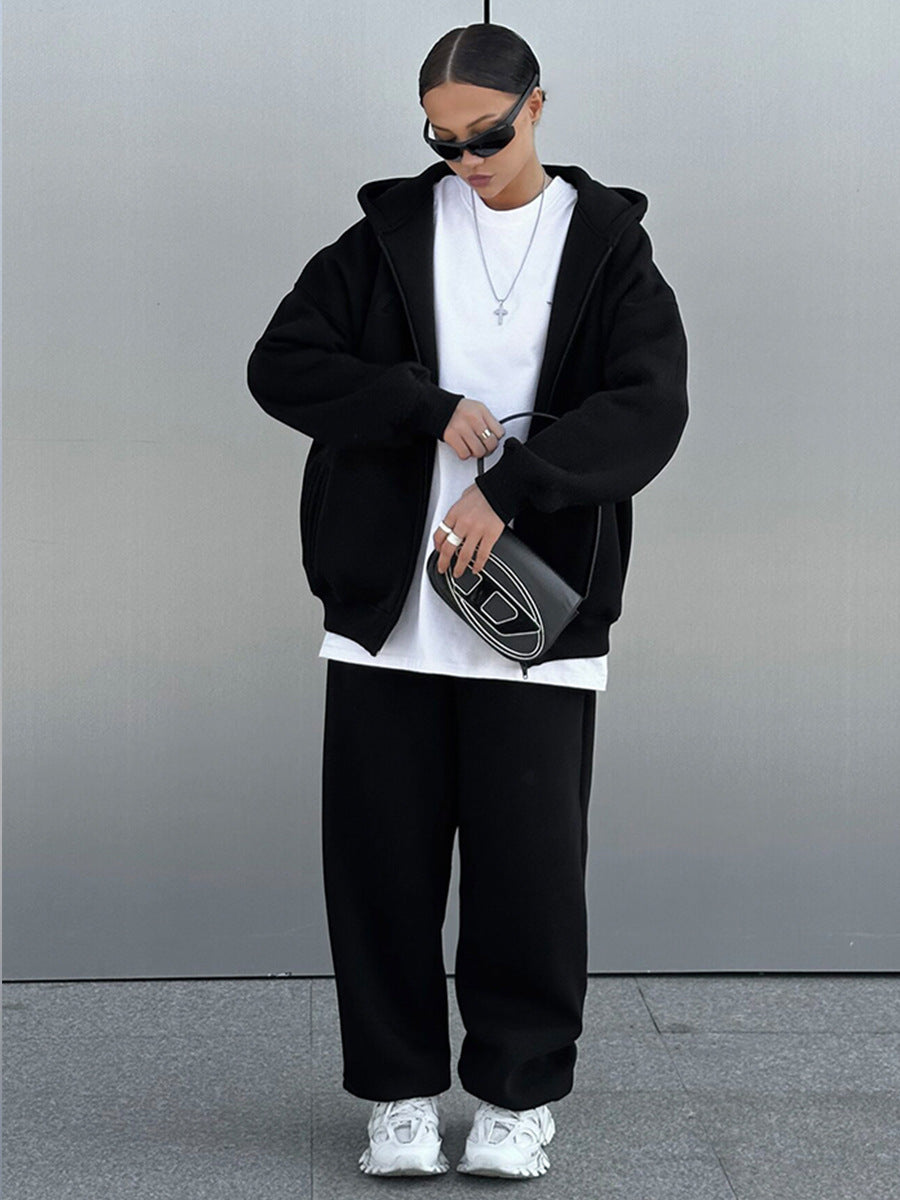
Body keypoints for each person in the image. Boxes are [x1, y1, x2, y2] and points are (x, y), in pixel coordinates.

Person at [246, 22, 688, 1180]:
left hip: (537, 614)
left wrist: (517, 485)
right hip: (390, 614)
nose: (464, 160)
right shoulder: (387, 238)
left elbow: (650, 406)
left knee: (529, 871)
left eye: (485, 135)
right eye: (440, 139)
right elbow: (281, 365)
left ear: (537, 104)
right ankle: (397, 1095)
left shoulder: (606, 247)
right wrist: (420, 406)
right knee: (380, 868)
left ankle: (514, 1097)